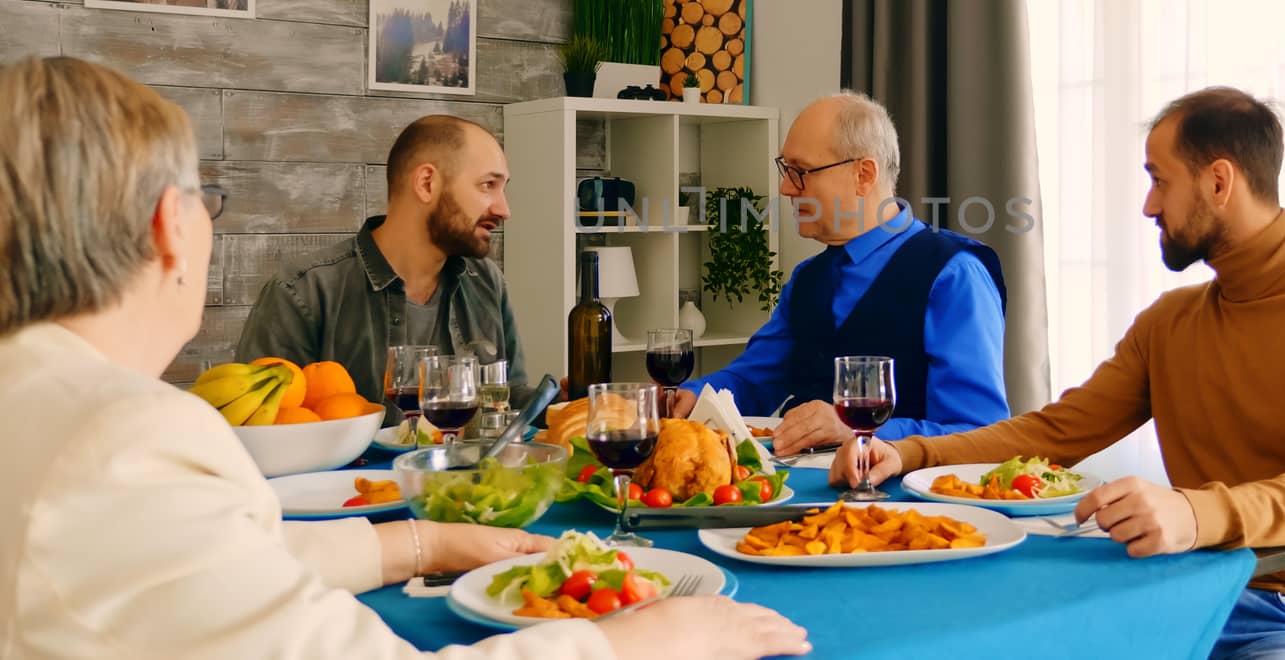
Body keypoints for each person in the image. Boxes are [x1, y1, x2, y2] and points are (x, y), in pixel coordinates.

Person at [0, 56, 810, 660]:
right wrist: (641, 642)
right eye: (205, 200)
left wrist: (421, 545)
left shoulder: (43, 404)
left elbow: (201, 560)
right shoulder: (128, 439)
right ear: (167, 228)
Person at [831, 86, 1285, 659]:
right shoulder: (1171, 321)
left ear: (1219, 181)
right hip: (1179, 594)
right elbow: (1055, 432)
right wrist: (908, 452)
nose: (1148, 206)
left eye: (1159, 181)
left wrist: (1194, 514)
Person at [673, 91, 1011, 455]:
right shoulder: (807, 279)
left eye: (800, 172)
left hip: (903, 506)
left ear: (863, 175)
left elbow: (979, 433)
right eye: (785, 170)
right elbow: (751, 380)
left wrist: (856, 429)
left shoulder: (955, 276)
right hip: (793, 498)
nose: (786, 188)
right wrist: (691, 397)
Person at [237, 115, 526, 405]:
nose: (504, 209)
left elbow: (509, 403)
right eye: (488, 185)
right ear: (427, 183)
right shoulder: (303, 293)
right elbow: (262, 429)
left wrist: (561, 401)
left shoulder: (487, 281)